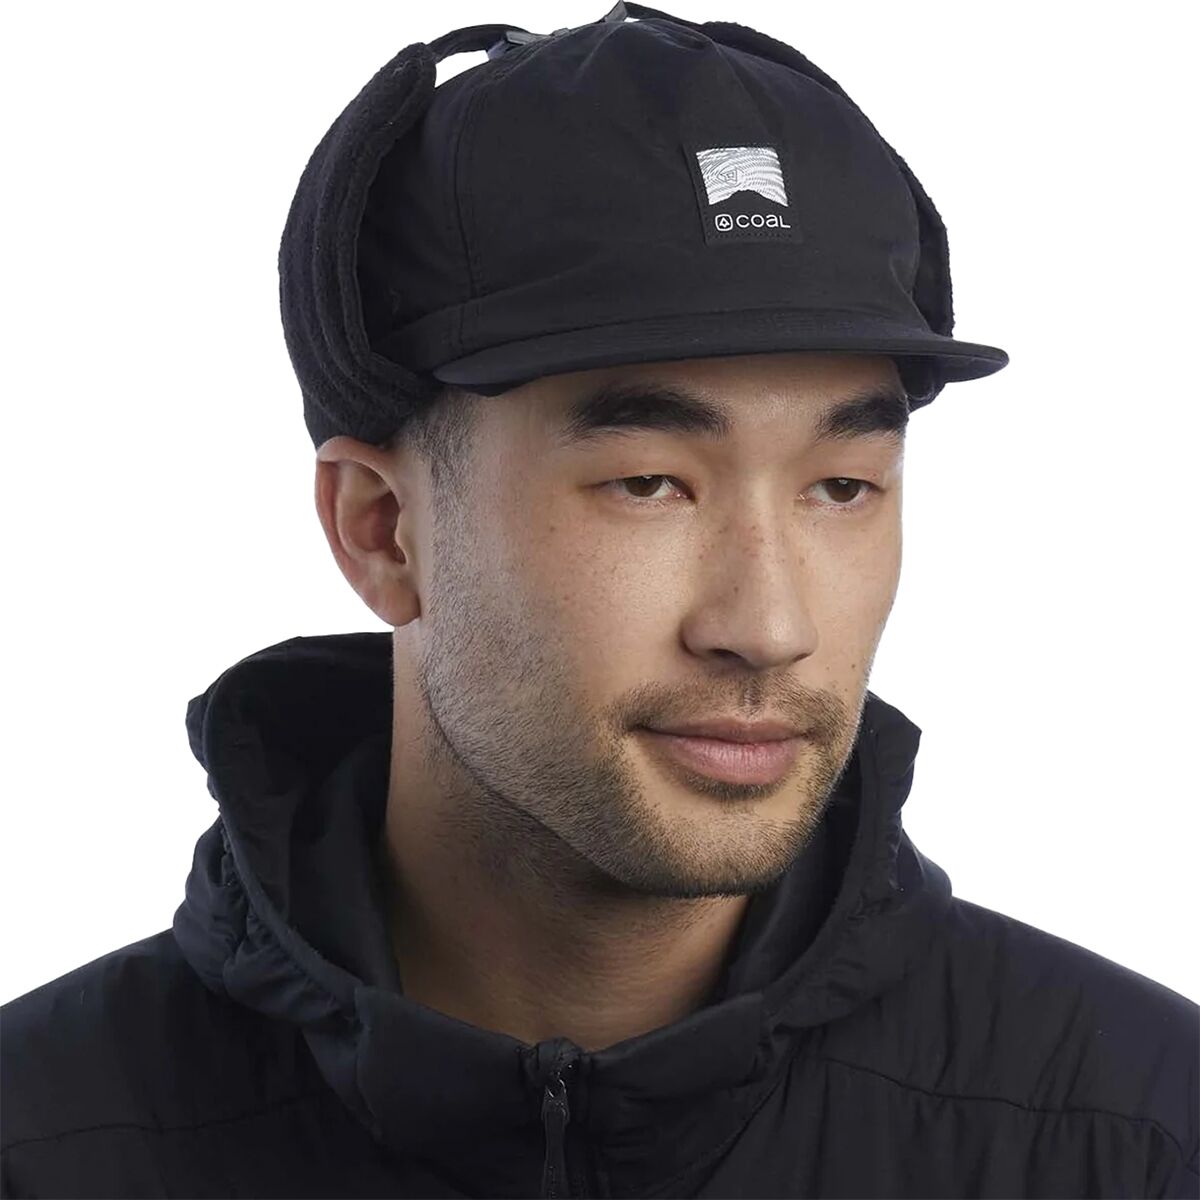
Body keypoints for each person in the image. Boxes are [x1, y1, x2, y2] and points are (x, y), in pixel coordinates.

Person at [2, 4, 1196, 1198]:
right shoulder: (47, 1144)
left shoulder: (1140, 1140)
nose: (769, 626)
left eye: (841, 486)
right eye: (649, 484)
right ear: (382, 529)